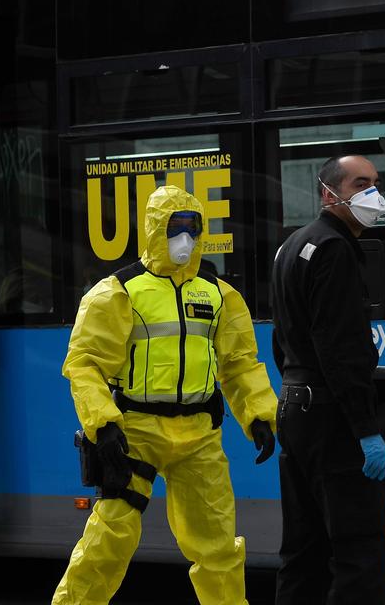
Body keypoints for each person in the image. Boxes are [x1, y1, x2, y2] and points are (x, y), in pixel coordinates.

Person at [52, 185, 278, 605]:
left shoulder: (219, 295)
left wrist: (259, 414)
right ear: (155, 229)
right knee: (109, 539)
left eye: (193, 227)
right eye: (175, 227)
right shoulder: (118, 293)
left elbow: (240, 363)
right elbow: (84, 364)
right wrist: (103, 425)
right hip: (136, 433)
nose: (185, 238)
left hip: (199, 436)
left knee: (218, 546)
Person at [271, 154, 385, 603]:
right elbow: (341, 351)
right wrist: (365, 430)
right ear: (329, 193)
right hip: (331, 418)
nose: (373, 194)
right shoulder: (336, 249)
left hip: (295, 409)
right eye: (360, 183)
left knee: (303, 552)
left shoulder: (291, 246)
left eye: (377, 183)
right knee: (360, 552)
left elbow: (281, 339)